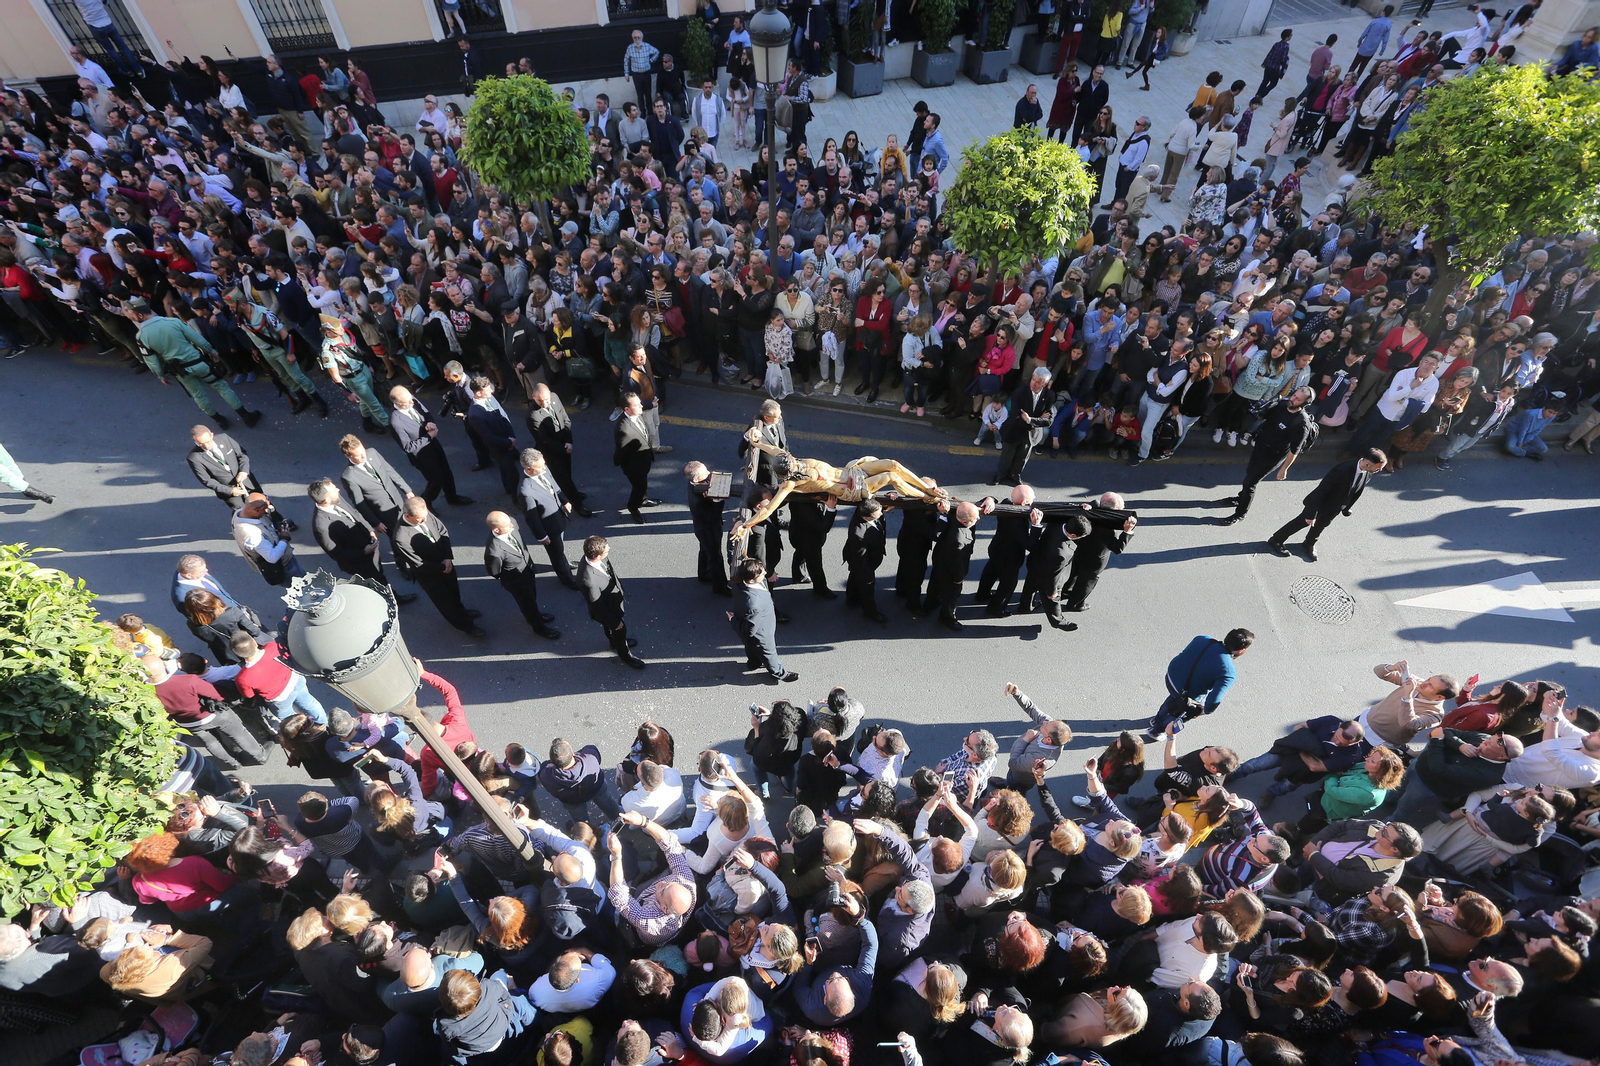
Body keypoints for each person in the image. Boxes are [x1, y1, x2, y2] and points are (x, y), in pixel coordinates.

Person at [126, 298, 261, 429]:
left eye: (131, 315)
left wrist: (161, 375)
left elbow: (152, 361)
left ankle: (220, 421)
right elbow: (197, 339)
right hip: (198, 363)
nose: (130, 317)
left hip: (180, 371)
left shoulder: (141, 336)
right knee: (221, 387)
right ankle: (246, 416)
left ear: (140, 315)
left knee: (198, 395)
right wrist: (211, 351)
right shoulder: (173, 322)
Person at [1218, 386, 1317, 525]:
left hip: (1273, 456)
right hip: (1260, 447)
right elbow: (1264, 416)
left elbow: (1294, 450)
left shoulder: (1301, 423)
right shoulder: (1283, 404)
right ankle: (1240, 498)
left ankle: (1240, 513)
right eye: (1294, 395)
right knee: (1249, 475)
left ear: (1304, 404)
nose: (1293, 399)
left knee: (1250, 483)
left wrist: (1284, 469)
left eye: (1298, 399)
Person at [1266, 449, 1386, 561]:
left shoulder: (1368, 473)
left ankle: (1309, 543)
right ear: (1367, 464)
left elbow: (1355, 491)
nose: (1379, 470)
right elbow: (1321, 491)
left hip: (1336, 507)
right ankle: (1276, 540)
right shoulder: (1342, 470)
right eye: (1378, 468)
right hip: (1320, 505)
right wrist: (1311, 513)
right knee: (1301, 522)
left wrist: (1346, 508)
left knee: (1321, 526)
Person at [392, 496, 486, 637]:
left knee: (454, 593)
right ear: (407, 516)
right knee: (446, 603)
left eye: (425, 515)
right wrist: (442, 567)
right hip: (431, 576)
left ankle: (462, 611)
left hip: (445, 563)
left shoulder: (425, 514)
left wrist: (448, 558)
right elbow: (418, 563)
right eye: (420, 519)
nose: (425, 520)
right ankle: (467, 626)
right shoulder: (401, 537)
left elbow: (442, 532)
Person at [307, 478, 414, 601]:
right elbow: (338, 554)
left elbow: (355, 514)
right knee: (377, 581)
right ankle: (393, 600)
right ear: (326, 499)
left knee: (378, 573)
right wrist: (364, 552)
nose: (338, 489)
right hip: (359, 562)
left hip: (369, 548)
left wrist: (370, 531)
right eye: (333, 490)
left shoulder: (336, 499)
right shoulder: (321, 526)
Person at [1145, 628, 1255, 739]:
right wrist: (1204, 710)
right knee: (1186, 710)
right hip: (1186, 692)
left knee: (1175, 697)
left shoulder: (1203, 638)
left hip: (1171, 676)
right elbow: (1214, 700)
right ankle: (1157, 730)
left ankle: (1158, 718)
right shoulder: (1229, 672)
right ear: (1241, 650)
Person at [484, 511, 561, 641]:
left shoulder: (511, 522)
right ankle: (539, 627)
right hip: (516, 582)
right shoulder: (494, 551)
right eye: (507, 526)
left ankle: (536, 614)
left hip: (528, 570)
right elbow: (494, 571)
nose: (512, 526)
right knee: (527, 604)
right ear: (496, 530)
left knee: (533, 596)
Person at [390, 386, 473, 507]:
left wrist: (430, 422)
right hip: (422, 457)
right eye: (407, 402)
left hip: (434, 445)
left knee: (447, 473)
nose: (412, 402)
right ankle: (426, 501)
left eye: (411, 398)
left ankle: (452, 497)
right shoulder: (395, 422)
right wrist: (429, 436)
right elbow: (407, 447)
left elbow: (427, 414)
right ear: (396, 403)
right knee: (435, 481)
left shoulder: (412, 401)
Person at [579, 534, 646, 669]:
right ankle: (625, 655)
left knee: (611, 630)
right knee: (620, 631)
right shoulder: (588, 580)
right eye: (606, 551)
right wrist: (615, 623)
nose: (609, 551)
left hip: (610, 602)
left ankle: (613, 641)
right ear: (598, 556)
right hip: (608, 611)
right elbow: (598, 606)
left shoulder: (593, 557)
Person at [527, 383, 594, 517]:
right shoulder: (533, 416)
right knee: (563, 478)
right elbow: (544, 441)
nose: (544, 403)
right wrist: (564, 448)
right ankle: (576, 504)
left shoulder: (555, 398)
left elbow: (564, 418)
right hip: (552, 452)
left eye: (546, 399)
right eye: (540, 400)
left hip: (564, 444)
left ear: (550, 394)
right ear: (533, 397)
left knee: (567, 474)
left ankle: (572, 492)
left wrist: (569, 441)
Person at [517, 448, 579, 589]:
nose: (544, 468)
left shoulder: (543, 469)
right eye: (540, 467)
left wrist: (564, 500)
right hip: (549, 528)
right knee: (556, 554)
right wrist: (542, 536)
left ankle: (565, 562)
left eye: (544, 464)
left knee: (560, 548)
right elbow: (531, 518)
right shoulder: (525, 491)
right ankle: (567, 579)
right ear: (529, 469)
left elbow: (554, 485)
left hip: (558, 518)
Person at [729, 557, 798, 682]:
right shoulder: (754, 604)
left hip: (752, 622)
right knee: (769, 653)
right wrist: (733, 620)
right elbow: (749, 630)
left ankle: (753, 663)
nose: (765, 573)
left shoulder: (739, 579)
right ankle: (779, 673)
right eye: (762, 572)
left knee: (750, 646)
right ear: (751, 579)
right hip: (761, 632)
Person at [339, 434, 414, 536]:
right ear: (348, 456)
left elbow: (390, 472)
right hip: (384, 513)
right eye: (358, 455)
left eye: (363, 451)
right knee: (398, 536)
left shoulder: (372, 453)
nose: (363, 456)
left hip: (398, 502)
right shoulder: (349, 476)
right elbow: (360, 504)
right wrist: (375, 523)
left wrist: (407, 490)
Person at [993, 368, 1056, 486]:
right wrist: (1038, 418)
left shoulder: (1049, 395)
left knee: (1023, 456)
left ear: (1044, 384)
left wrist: (1029, 419)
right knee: (1007, 455)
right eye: (1033, 379)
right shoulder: (1019, 392)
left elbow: (1049, 420)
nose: (1034, 383)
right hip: (1015, 429)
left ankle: (1015, 475)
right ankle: (1000, 475)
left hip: (1031, 433)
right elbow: (1016, 416)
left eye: (1038, 382)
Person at [232, 494, 303, 586]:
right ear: (256, 511)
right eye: (265, 508)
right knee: (301, 587)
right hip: (284, 566)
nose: (267, 510)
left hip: (284, 560)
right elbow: (272, 557)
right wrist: (284, 539)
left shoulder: (241, 513)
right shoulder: (253, 536)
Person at [186, 425, 261, 510]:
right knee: (244, 514)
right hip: (230, 492)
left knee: (264, 505)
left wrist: (244, 471)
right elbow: (206, 480)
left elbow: (242, 455)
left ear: (212, 435)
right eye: (200, 444)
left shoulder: (224, 438)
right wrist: (230, 491)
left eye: (207, 441)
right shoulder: (194, 458)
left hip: (247, 482)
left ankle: (277, 521)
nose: (206, 446)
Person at [685, 461, 731, 596]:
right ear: (695, 479)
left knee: (705, 551)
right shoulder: (699, 502)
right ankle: (720, 587)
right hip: (709, 530)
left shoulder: (692, 485)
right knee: (716, 557)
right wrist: (717, 501)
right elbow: (713, 516)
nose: (709, 474)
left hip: (701, 529)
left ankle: (703, 573)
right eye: (705, 474)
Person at [843, 498, 889, 623]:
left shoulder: (862, 511)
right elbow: (861, 561)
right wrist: (868, 575)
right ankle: (870, 611)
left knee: (853, 576)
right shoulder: (859, 535)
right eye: (878, 513)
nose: (881, 514)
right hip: (863, 561)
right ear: (867, 517)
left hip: (858, 556)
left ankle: (851, 599)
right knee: (867, 586)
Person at [615, 392, 658, 523]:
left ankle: (643, 499)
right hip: (634, 467)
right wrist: (629, 469)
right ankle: (633, 506)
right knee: (639, 486)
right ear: (626, 409)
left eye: (640, 402)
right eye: (637, 405)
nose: (641, 406)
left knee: (643, 485)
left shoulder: (635, 414)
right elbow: (621, 454)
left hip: (643, 461)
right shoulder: (623, 430)